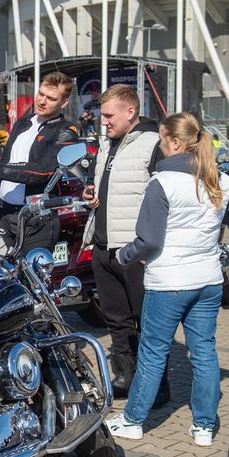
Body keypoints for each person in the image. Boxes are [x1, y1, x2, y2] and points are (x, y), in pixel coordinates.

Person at [105, 111, 229, 446]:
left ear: (175, 143)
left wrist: (123, 255)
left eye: (163, 140)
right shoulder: (220, 180)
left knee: (153, 353)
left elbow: (149, 241)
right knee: (204, 353)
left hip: (169, 283)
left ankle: (133, 421)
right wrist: (222, 219)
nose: (160, 146)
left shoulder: (162, 183)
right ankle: (204, 427)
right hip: (208, 281)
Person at [80, 84, 164, 402]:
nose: (104, 122)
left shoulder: (153, 143)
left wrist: (148, 246)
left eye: (108, 116)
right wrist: (90, 193)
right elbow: (102, 185)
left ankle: (157, 386)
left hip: (134, 249)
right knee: (116, 319)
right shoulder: (106, 145)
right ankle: (127, 376)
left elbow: (163, 198)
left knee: (147, 321)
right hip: (103, 246)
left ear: (130, 111)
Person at [0, 71, 81, 256]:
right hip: (4, 215)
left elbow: (42, 172)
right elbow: (6, 161)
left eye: (51, 98)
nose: (42, 101)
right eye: (41, 94)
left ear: (64, 103)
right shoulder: (22, 123)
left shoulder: (66, 131)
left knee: (28, 274)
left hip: (37, 220)